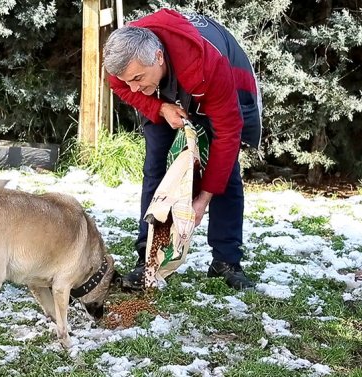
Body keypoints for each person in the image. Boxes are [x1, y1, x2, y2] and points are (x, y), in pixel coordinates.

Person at [102, 9, 262, 290]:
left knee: (226, 171)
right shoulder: (125, 63)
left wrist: (202, 200)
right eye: (128, 80)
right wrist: (159, 107)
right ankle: (149, 257)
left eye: (138, 78)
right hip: (165, 96)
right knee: (155, 168)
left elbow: (228, 134)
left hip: (213, 86)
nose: (133, 88)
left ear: (159, 58)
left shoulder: (208, 65)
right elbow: (122, 87)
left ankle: (226, 261)